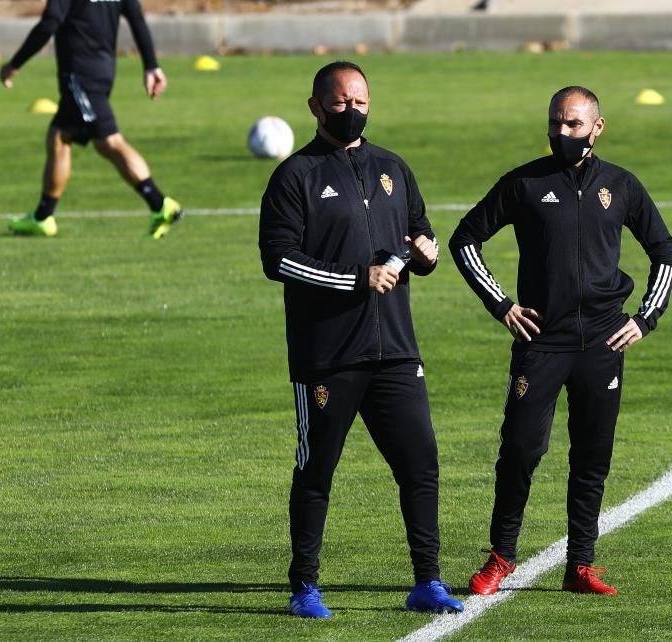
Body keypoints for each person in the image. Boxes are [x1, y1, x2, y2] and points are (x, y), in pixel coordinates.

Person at [451, 86, 672, 597]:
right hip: (542, 342)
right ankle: (501, 557)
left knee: (592, 456)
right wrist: (501, 304)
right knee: (520, 450)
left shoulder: (621, 185)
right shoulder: (524, 183)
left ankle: (580, 565)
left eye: (573, 124)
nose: (562, 133)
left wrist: (646, 318)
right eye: (556, 123)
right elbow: (465, 239)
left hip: (603, 343)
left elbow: (664, 252)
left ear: (597, 128)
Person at [258, 61, 463, 619]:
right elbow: (278, 259)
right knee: (316, 470)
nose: (352, 110)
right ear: (316, 107)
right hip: (329, 355)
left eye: (360, 101)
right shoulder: (294, 176)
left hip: (395, 350)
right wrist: (356, 278)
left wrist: (427, 253)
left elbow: (418, 231)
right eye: (341, 102)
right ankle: (304, 587)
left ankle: (427, 581)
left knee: (420, 465)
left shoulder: (393, 167)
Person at [0, 0, 182, 239]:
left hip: (79, 77)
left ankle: (160, 204)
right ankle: (43, 217)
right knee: (59, 135)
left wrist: (15, 64)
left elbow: (49, 23)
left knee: (109, 142)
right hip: (103, 72)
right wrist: (151, 66)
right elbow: (137, 19)